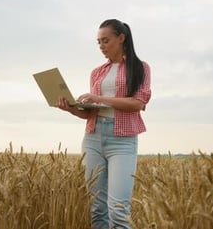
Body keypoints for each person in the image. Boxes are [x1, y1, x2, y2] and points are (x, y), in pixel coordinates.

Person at [57, 19, 151, 228]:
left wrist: (100, 99)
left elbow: (137, 103)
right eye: (98, 42)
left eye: (105, 40)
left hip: (123, 142)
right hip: (93, 137)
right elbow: (90, 114)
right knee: (97, 209)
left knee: (118, 210)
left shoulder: (140, 68)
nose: (101, 46)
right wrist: (71, 108)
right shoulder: (96, 72)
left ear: (121, 38)